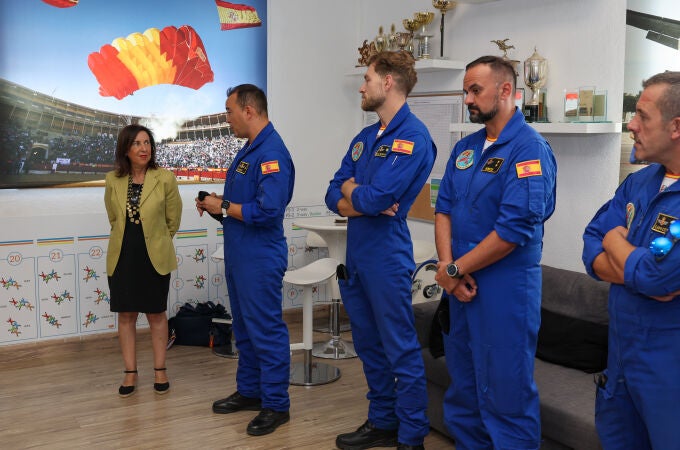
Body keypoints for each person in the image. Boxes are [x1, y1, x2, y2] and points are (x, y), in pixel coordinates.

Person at [433, 55, 557, 449]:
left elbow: (513, 229)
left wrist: (453, 270)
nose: (467, 98)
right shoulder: (466, 147)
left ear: (506, 91)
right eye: (465, 90)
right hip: (460, 289)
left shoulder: (529, 149)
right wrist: (447, 269)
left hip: (505, 292)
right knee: (464, 395)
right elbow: (444, 209)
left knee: (506, 398)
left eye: (475, 90)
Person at [325, 51, 436, 450]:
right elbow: (332, 191)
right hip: (358, 253)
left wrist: (354, 194)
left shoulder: (414, 138)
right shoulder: (364, 138)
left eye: (367, 78)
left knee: (400, 348)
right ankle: (383, 420)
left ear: (388, 82)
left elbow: (377, 199)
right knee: (369, 345)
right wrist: (358, 196)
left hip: (387, 255)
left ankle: (411, 436)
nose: (361, 86)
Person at [582, 71, 680, 449]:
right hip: (621, 361)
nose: (631, 124)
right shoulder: (639, 182)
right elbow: (591, 245)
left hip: (667, 372)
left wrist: (615, 240)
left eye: (642, 115)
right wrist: (628, 263)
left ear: (675, 127)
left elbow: (658, 279)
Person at [195, 84, 294, 437]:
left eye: (229, 111)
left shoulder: (271, 153)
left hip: (259, 256)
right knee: (245, 329)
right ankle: (251, 391)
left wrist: (222, 206)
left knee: (265, 330)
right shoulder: (250, 150)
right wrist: (218, 206)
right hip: (241, 253)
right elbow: (242, 208)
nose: (227, 118)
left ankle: (276, 405)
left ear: (249, 110)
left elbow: (268, 211)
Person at [104, 124, 182, 397]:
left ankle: (160, 370)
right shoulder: (112, 180)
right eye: (137, 143)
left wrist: (158, 239)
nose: (144, 148)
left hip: (154, 257)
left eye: (147, 142)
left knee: (156, 314)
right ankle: (130, 372)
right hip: (122, 256)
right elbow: (114, 218)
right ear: (126, 148)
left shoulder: (165, 178)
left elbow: (173, 220)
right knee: (126, 315)